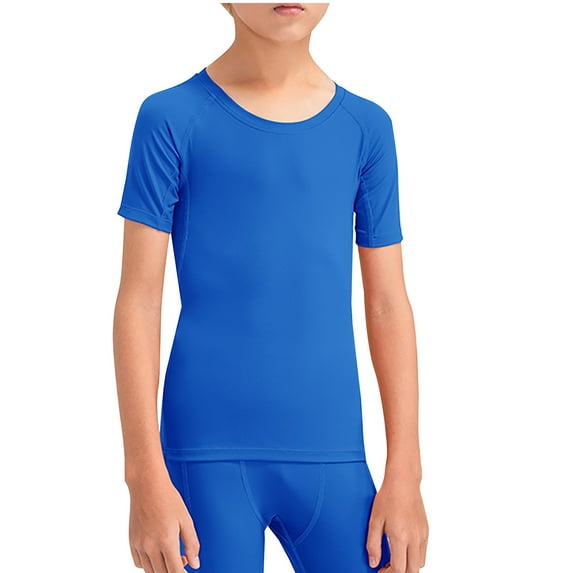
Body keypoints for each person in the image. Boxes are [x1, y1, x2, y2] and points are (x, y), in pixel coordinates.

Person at [112, 3, 428, 572]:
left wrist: (406, 474)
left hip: (334, 454)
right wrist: (143, 476)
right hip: (203, 459)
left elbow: (387, 304)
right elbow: (139, 299)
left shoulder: (366, 128)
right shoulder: (171, 118)